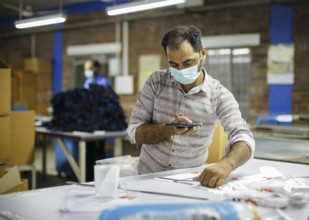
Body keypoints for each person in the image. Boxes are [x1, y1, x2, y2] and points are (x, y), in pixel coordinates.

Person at [126, 25, 255, 188]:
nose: (181, 70)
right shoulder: (156, 82)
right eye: (174, 64)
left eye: (188, 63)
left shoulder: (218, 95)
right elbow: (133, 133)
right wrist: (169, 128)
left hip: (190, 182)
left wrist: (227, 164)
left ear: (203, 53)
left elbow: (244, 137)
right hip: (147, 178)